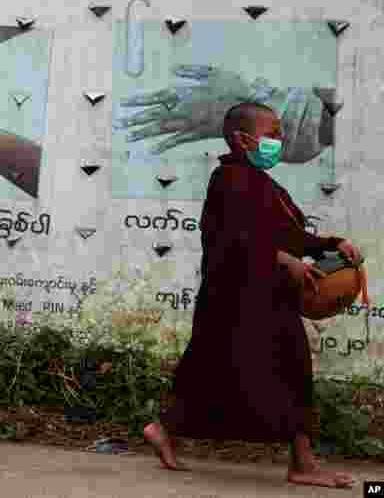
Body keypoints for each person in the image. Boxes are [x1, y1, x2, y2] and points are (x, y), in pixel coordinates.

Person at [143, 102, 363, 489]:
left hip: (269, 295)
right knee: (216, 371)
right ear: (243, 140)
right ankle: (166, 428)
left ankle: (301, 462)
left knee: (289, 367)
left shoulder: (267, 186)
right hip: (232, 298)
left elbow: (293, 237)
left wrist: (333, 244)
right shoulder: (227, 180)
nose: (280, 141)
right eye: (273, 133)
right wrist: (283, 260)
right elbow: (231, 240)